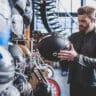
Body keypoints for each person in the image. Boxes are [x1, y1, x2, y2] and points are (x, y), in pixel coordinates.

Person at [58, 6, 96, 96]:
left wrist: (76, 57)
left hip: (92, 86)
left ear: (93, 20)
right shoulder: (73, 37)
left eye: (83, 21)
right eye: (79, 20)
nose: (79, 24)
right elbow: (66, 63)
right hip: (74, 84)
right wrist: (62, 57)